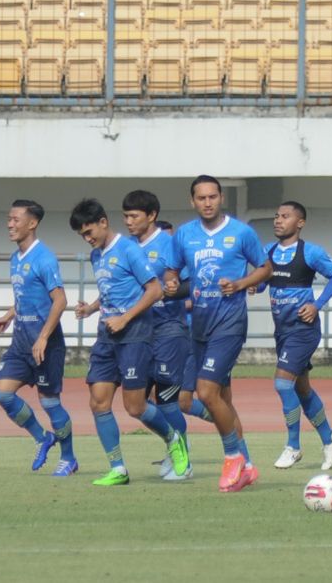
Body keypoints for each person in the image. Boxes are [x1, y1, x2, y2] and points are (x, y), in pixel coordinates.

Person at [71, 198, 189, 486]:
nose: (88, 240)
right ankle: (118, 469)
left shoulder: (129, 250)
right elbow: (113, 289)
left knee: (135, 407)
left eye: (90, 233)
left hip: (135, 334)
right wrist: (92, 308)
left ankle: (174, 439)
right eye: (82, 236)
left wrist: (125, 318)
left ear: (103, 222)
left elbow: (154, 290)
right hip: (106, 336)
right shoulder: (96, 255)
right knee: (98, 402)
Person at [166, 175, 273, 493]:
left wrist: (240, 284)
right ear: (193, 201)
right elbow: (172, 270)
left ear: (221, 198)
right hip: (198, 326)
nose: (208, 202)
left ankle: (231, 459)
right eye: (201, 198)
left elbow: (265, 268)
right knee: (211, 399)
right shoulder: (184, 234)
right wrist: (171, 282)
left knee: (207, 393)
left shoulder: (242, 233)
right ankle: (249, 465)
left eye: (213, 196)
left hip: (229, 324)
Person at [253, 202, 332, 470]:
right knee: (301, 388)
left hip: (303, 331)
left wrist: (317, 305)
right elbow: (260, 285)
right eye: (276, 215)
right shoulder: (267, 252)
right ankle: (330, 439)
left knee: (283, 384)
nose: (278, 220)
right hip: (282, 331)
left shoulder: (311, 252)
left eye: (285, 216)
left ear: (300, 222)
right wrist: (249, 284)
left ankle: (293, 446)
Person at [0, 200, 77, 476]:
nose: (10, 224)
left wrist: (42, 338)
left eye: (15, 219)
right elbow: (28, 297)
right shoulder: (15, 258)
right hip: (20, 342)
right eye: (9, 219)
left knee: (50, 402)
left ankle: (69, 458)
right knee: (3, 394)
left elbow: (60, 300)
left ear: (32, 223)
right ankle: (43, 437)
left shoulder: (44, 258)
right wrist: (10, 314)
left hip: (45, 344)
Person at [122, 191, 196, 480]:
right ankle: (172, 446)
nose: (128, 222)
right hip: (137, 331)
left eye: (134, 216)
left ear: (151, 216)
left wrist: (176, 288)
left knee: (166, 398)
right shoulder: (125, 246)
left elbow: (192, 282)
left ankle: (183, 461)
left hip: (168, 329)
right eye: (125, 216)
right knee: (137, 403)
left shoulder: (171, 245)